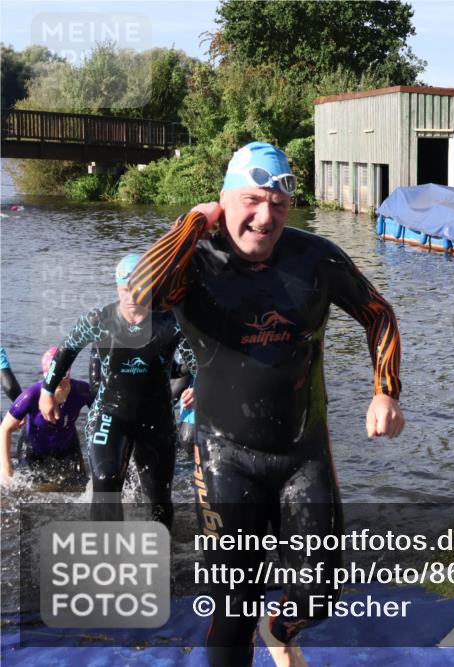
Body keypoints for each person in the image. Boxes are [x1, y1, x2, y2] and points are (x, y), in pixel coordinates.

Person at [127, 141, 404, 667]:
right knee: (233, 603)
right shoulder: (196, 260)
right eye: (252, 200)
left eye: (278, 205)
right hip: (223, 454)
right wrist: (192, 224)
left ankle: (279, 630)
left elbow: (378, 314)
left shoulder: (315, 259)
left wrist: (385, 390)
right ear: (224, 201)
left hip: (303, 452)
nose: (265, 217)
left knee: (321, 589)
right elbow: (139, 298)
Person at [39, 254, 197, 527]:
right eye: (126, 290)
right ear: (117, 287)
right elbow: (66, 351)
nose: (132, 297)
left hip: (156, 421)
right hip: (110, 415)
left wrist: (201, 386)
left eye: (140, 290)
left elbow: (199, 361)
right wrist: (47, 390)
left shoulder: (171, 323)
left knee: (158, 498)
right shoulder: (98, 320)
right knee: (105, 480)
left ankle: (160, 557)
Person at [1, 348, 92, 484]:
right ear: (46, 377)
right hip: (32, 449)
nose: (59, 383)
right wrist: (6, 467)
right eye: (53, 379)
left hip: (68, 446)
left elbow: (106, 412)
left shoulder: (82, 391)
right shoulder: (31, 395)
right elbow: (4, 429)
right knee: (27, 488)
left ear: (69, 372)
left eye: (63, 375)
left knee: (81, 484)